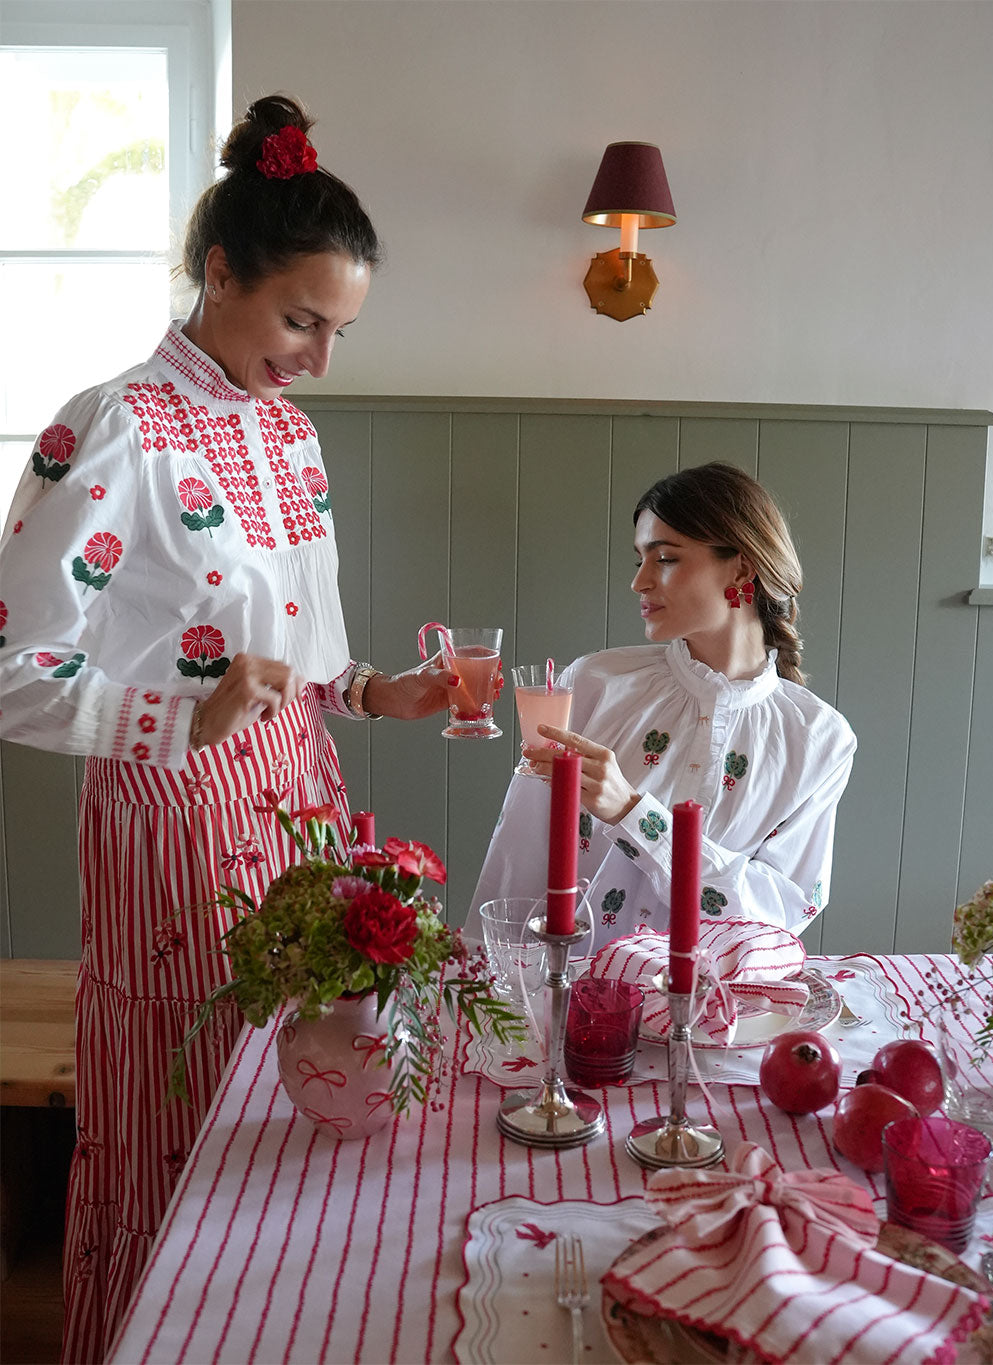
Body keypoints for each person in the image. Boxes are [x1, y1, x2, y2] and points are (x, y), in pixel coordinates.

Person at [0, 95, 452, 1364]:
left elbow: (295, 663)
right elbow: (7, 665)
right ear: (218, 272)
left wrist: (377, 692)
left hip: (297, 801)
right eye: (300, 318)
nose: (316, 356)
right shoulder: (117, 428)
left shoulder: (290, 438)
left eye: (339, 330)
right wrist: (175, 717)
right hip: (174, 826)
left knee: (290, 1105)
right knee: (181, 1120)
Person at [467, 462, 857, 953]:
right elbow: (519, 861)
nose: (640, 582)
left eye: (666, 558)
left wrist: (633, 814)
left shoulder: (819, 738)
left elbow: (776, 917)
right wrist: (490, 991)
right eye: (640, 560)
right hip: (572, 999)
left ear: (741, 566)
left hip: (716, 1011)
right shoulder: (591, 684)